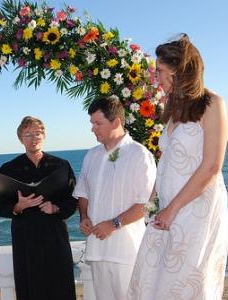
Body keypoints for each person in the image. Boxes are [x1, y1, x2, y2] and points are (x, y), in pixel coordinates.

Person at [128, 34, 228, 299]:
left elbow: (211, 166)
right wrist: (151, 205)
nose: (157, 78)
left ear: (180, 70)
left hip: (196, 210)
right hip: (167, 210)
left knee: (185, 285)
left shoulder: (212, 103)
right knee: (152, 282)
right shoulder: (172, 109)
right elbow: (167, 166)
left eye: (160, 71)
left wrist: (173, 208)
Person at [73, 97, 156, 300]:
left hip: (126, 251)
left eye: (98, 123)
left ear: (116, 122)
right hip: (97, 249)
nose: (93, 129)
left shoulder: (139, 155)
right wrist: (83, 216)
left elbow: (148, 204)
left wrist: (114, 223)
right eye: (92, 123)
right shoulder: (91, 156)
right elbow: (82, 191)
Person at [0, 116, 77, 300]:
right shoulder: (9, 168)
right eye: (28, 134)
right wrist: (17, 206)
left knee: (60, 285)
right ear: (20, 138)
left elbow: (73, 199)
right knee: (31, 288)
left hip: (55, 235)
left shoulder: (61, 165)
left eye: (37, 133)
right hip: (26, 238)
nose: (33, 138)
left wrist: (55, 207)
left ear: (44, 136)